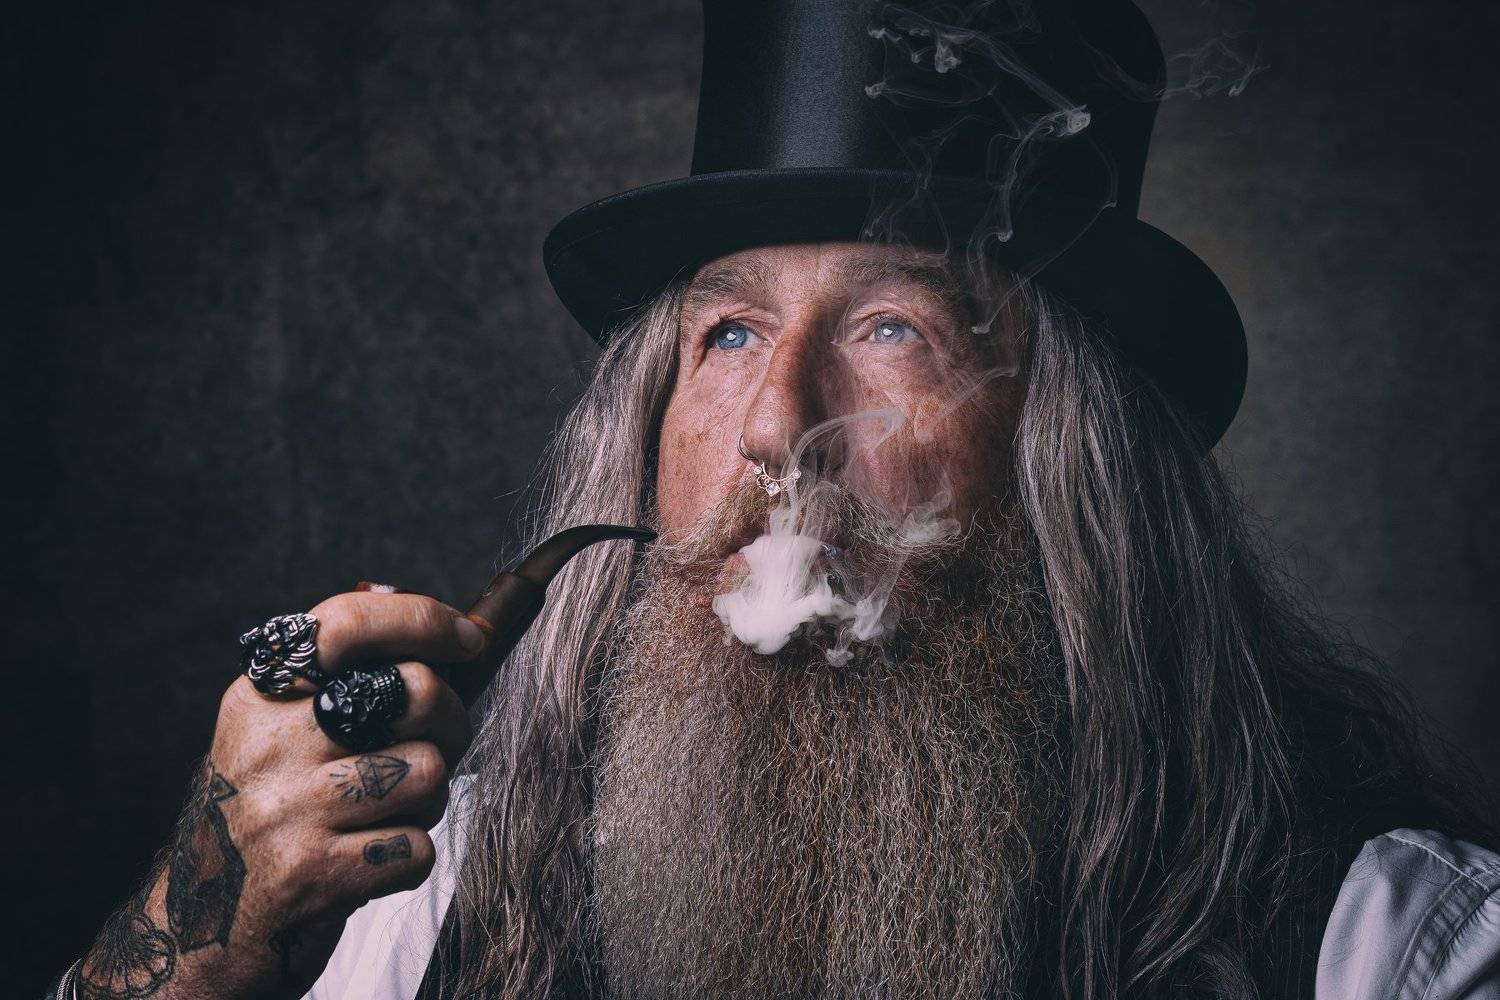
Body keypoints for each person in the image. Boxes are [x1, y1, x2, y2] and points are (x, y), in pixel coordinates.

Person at [52, 1, 1498, 999]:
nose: (775, 428)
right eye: (730, 332)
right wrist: (203, 934)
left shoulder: (1387, 948)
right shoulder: (442, 890)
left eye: (895, 327)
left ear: (1076, 458)